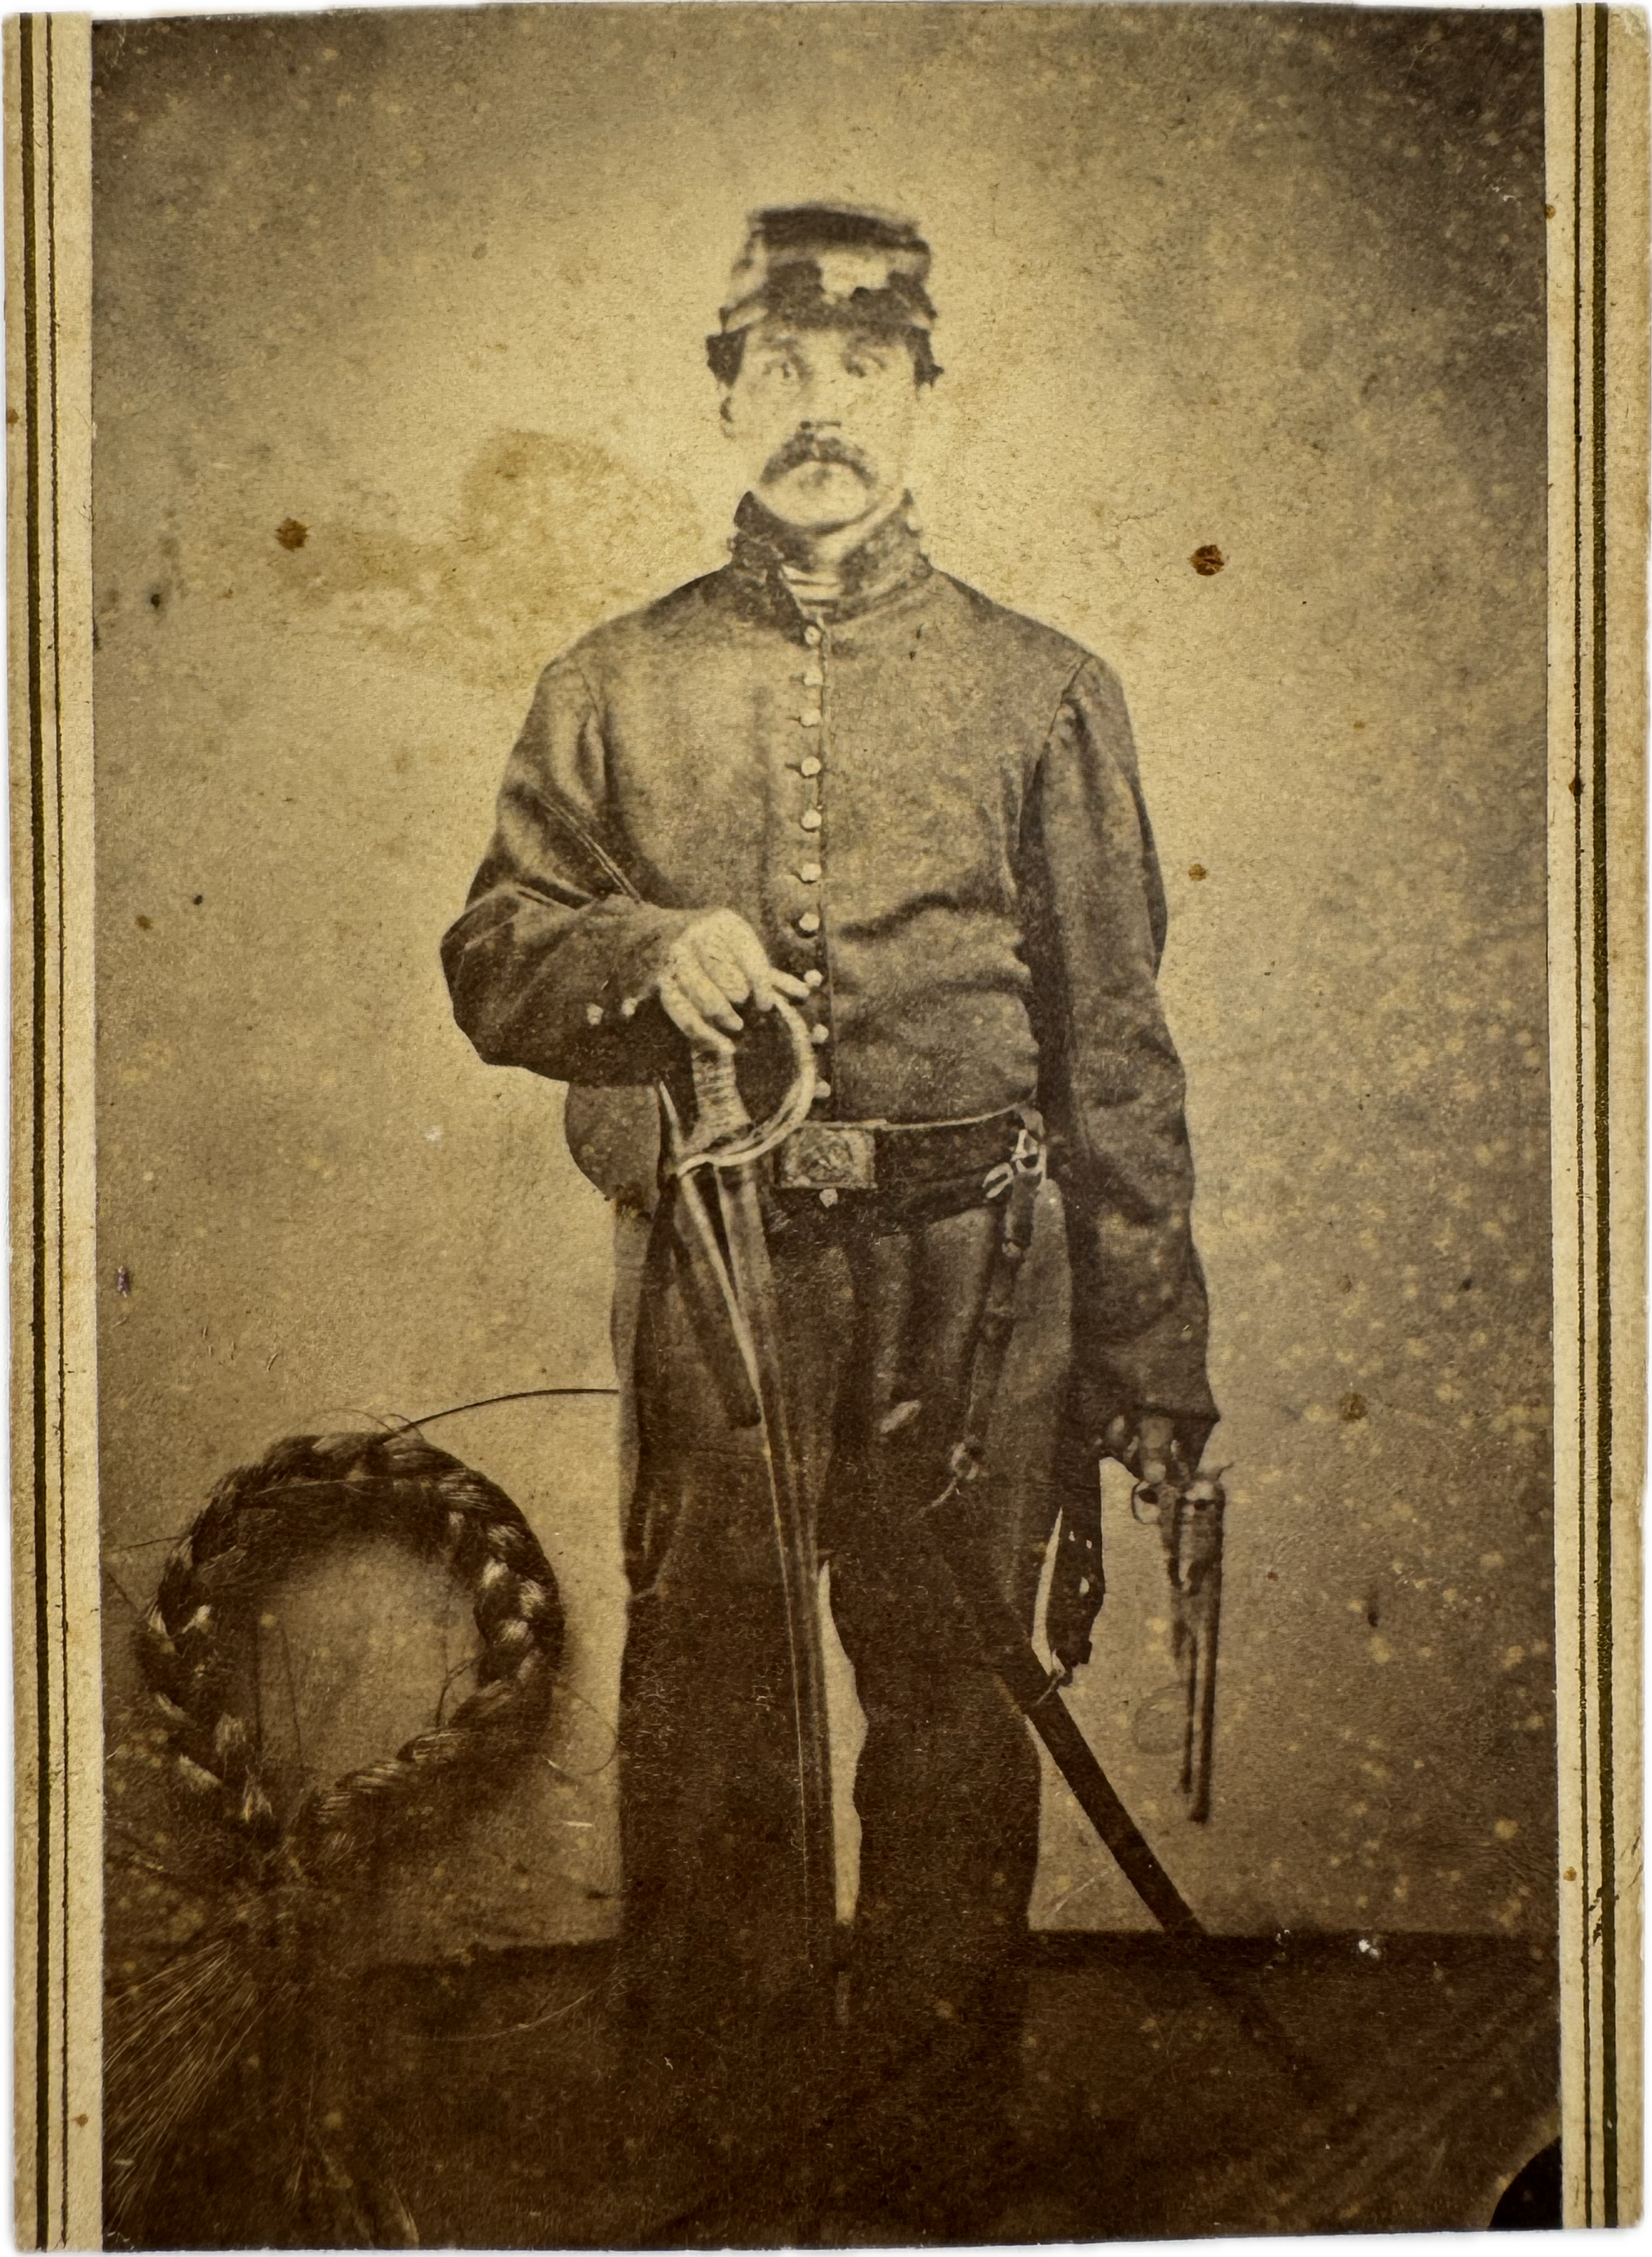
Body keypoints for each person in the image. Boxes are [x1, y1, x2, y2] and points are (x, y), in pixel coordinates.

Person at [441, 202, 1218, 2237]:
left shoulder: (1044, 691)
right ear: (721, 392)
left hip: (985, 1282)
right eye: (776, 371)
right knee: (711, 1701)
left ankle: (928, 2156)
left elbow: (1116, 1046)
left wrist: (1150, 1354)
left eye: (859, 372)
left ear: (923, 399)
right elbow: (490, 956)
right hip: (722, 1268)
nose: (817, 414)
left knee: (954, 1709)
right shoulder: (609, 684)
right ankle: (715, 2147)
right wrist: (632, 945)